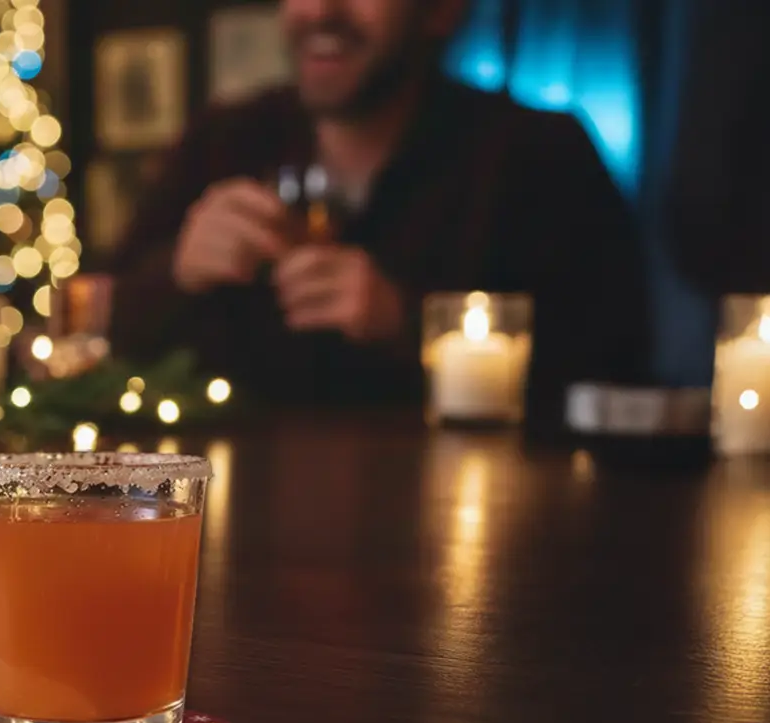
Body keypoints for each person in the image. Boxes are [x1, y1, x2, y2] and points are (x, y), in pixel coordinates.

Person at [109, 0, 651, 434]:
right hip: (226, 517)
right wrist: (176, 273)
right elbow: (96, 335)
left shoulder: (540, 156)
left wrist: (409, 326)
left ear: (442, 10)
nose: (321, 11)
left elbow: (616, 376)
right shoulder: (222, 141)